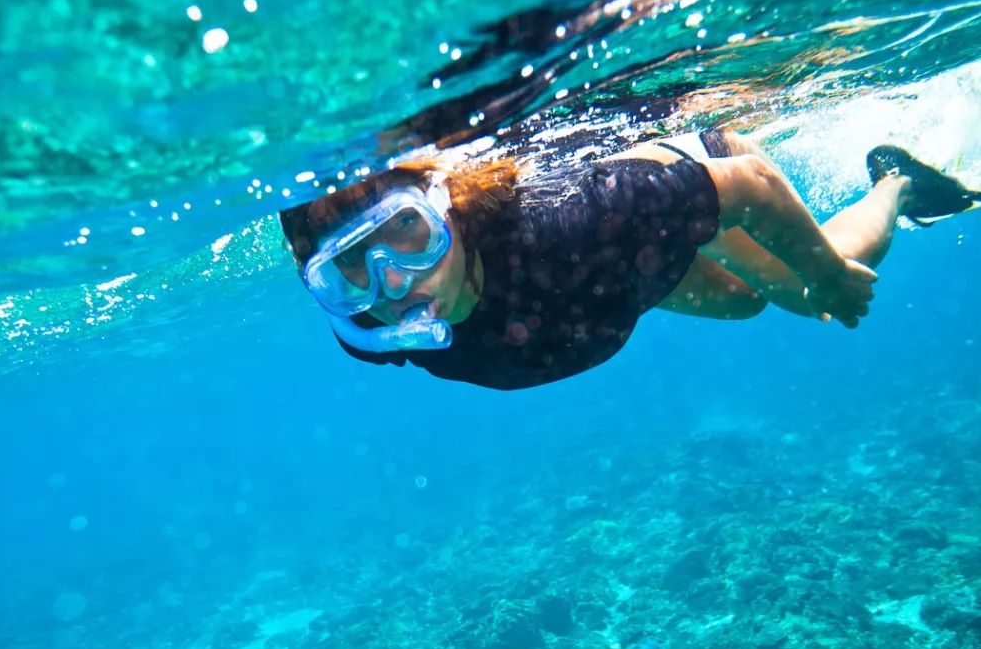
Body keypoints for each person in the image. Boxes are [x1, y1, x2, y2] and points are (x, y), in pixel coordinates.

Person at [279, 127, 977, 393]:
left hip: (678, 175)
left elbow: (750, 187)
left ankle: (899, 180)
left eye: (406, 231)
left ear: (448, 207)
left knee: (808, 294)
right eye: (349, 269)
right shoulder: (374, 332)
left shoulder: (578, 218)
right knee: (744, 300)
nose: (392, 282)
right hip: (618, 272)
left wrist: (826, 272)